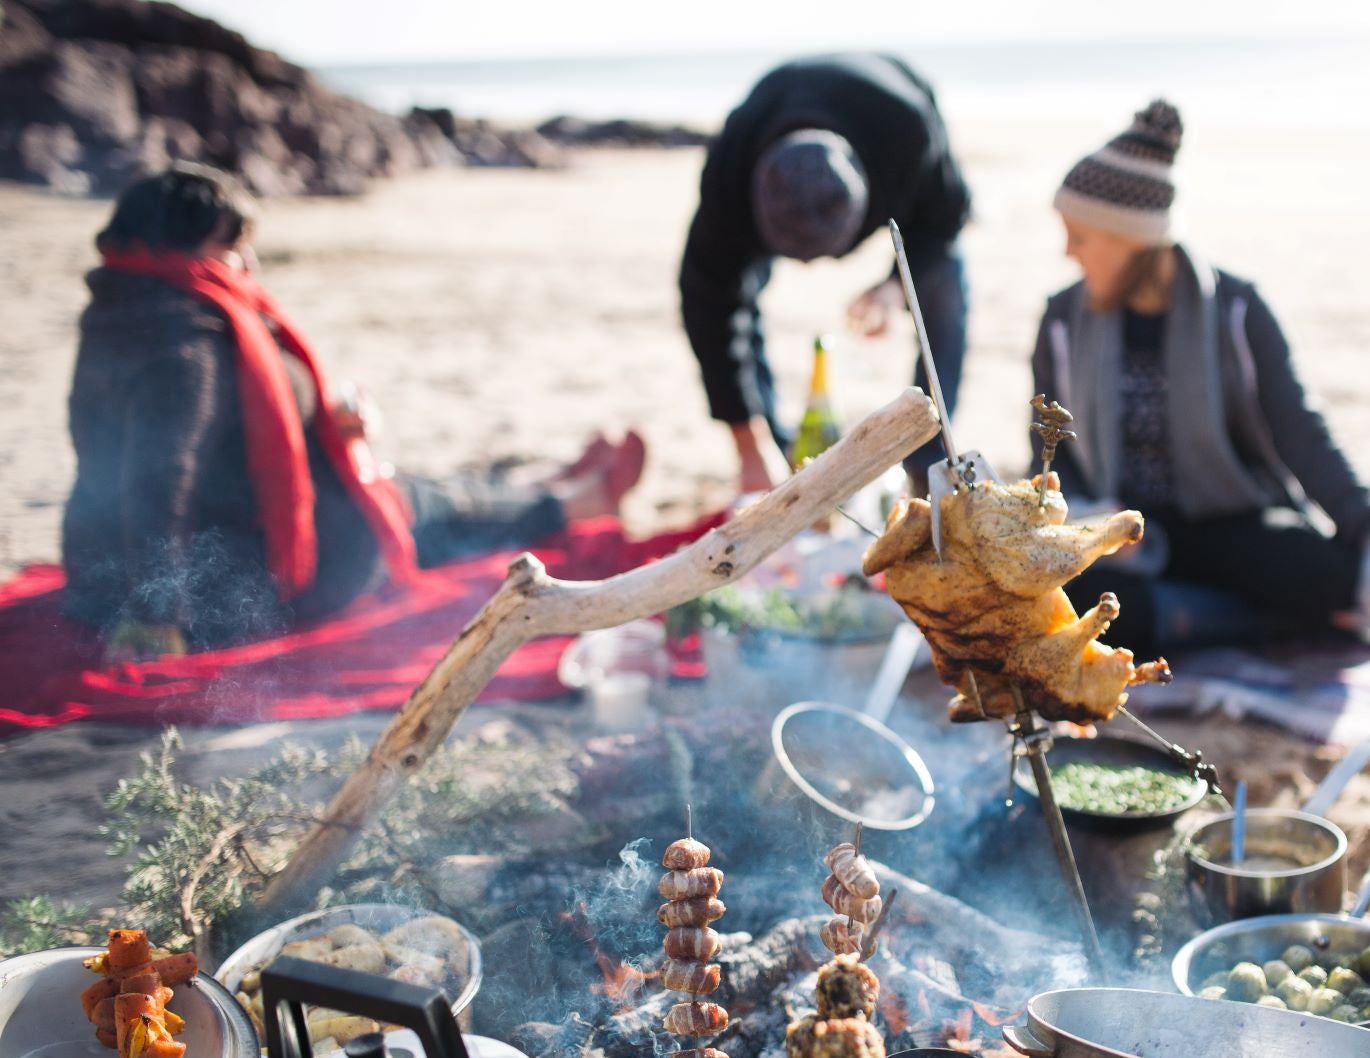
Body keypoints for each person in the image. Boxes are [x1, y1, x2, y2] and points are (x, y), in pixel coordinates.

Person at [61, 163, 645, 660]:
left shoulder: (124, 309)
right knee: (414, 505)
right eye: (232, 246)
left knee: (409, 489)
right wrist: (156, 615)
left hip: (162, 552)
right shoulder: (182, 340)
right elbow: (160, 479)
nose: (249, 264)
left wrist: (325, 423)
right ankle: (573, 501)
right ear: (181, 248)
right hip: (248, 577)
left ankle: (546, 477)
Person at [1032, 102, 1370, 653]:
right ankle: (1267, 621)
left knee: (1308, 570)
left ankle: (1331, 593)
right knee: (1077, 611)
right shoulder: (1060, 321)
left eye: (1081, 236)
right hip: (1127, 537)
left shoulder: (1237, 311)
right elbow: (1050, 458)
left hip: (1235, 526)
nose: (1068, 252)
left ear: (1131, 239)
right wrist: (1089, 526)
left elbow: (1300, 431)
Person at [679, 53, 971, 494]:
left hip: (889, 98)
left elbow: (946, 219)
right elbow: (708, 302)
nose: (811, 268)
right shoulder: (729, 177)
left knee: (941, 282)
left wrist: (894, 286)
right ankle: (771, 452)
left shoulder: (907, 133)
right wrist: (747, 443)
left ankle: (928, 455)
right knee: (732, 293)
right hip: (770, 106)